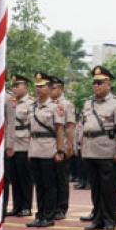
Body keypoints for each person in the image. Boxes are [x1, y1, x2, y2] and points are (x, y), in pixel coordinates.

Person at [79, 66, 116, 230]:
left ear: (108, 84)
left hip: (106, 149)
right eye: (94, 83)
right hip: (90, 149)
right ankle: (97, 218)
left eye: (100, 83)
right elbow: (83, 126)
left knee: (108, 188)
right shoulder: (87, 103)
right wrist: (81, 146)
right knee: (95, 188)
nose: (96, 86)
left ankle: (109, 220)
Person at [26, 73, 66, 228]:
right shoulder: (32, 107)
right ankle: (40, 214)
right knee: (39, 185)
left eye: (42, 86)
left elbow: (59, 130)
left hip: (49, 148)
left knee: (49, 185)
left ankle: (49, 216)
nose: (38, 89)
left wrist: (60, 150)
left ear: (49, 88)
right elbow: (30, 130)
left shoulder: (56, 107)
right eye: (37, 86)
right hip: (35, 148)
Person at [5, 74, 35, 217]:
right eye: (13, 86)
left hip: (24, 143)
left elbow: (32, 126)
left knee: (25, 177)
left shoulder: (31, 103)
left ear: (26, 87)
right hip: (11, 143)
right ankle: (17, 206)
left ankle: (26, 206)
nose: (15, 89)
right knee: (14, 177)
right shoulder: (10, 102)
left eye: (18, 86)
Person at [51, 76, 76, 220]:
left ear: (60, 88)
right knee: (50, 178)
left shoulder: (66, 105)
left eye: (53, 87)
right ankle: (52, 206)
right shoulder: (47, 104)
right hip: (48, 145)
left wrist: (69, 145)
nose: (51, 90)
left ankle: (61, 207)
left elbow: (70, 126)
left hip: (62, 145)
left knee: (61, 178)